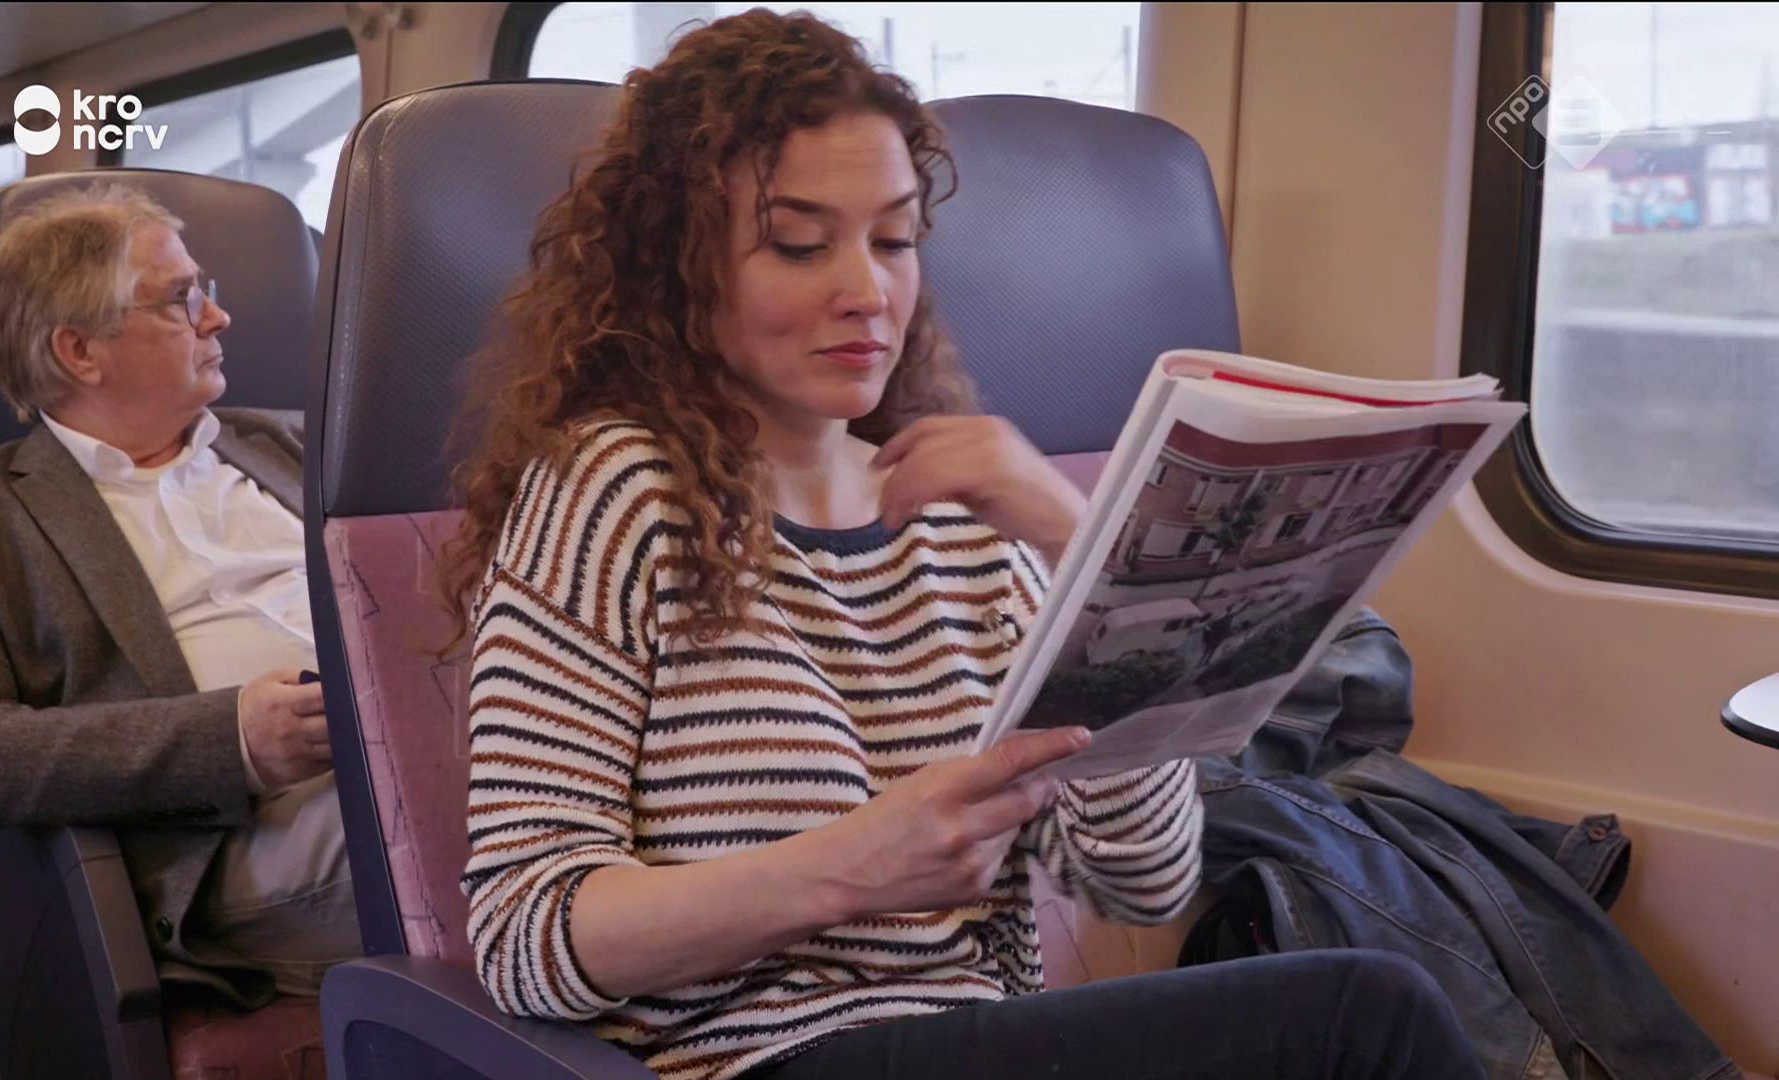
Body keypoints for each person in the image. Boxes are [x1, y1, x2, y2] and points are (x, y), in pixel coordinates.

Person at [442, 11, 1483, 1080]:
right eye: (800, 244)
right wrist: (847, 868)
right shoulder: (610, 491)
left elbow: (1143, 878)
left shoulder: (962, 515)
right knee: (1364, 1017)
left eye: (893, 242)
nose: (867, 293)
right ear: (678, 267)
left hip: (970, 1038)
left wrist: (1083, 548)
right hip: (754, 1062)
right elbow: (527, 940)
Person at [0, 184, 359, 1006]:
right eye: (182, 300)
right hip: (237, 837)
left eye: (207, 291)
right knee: (482, 832)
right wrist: (232, 739)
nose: (218, 318)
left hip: (409, 758)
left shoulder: (297, 443)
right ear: (80, 351)